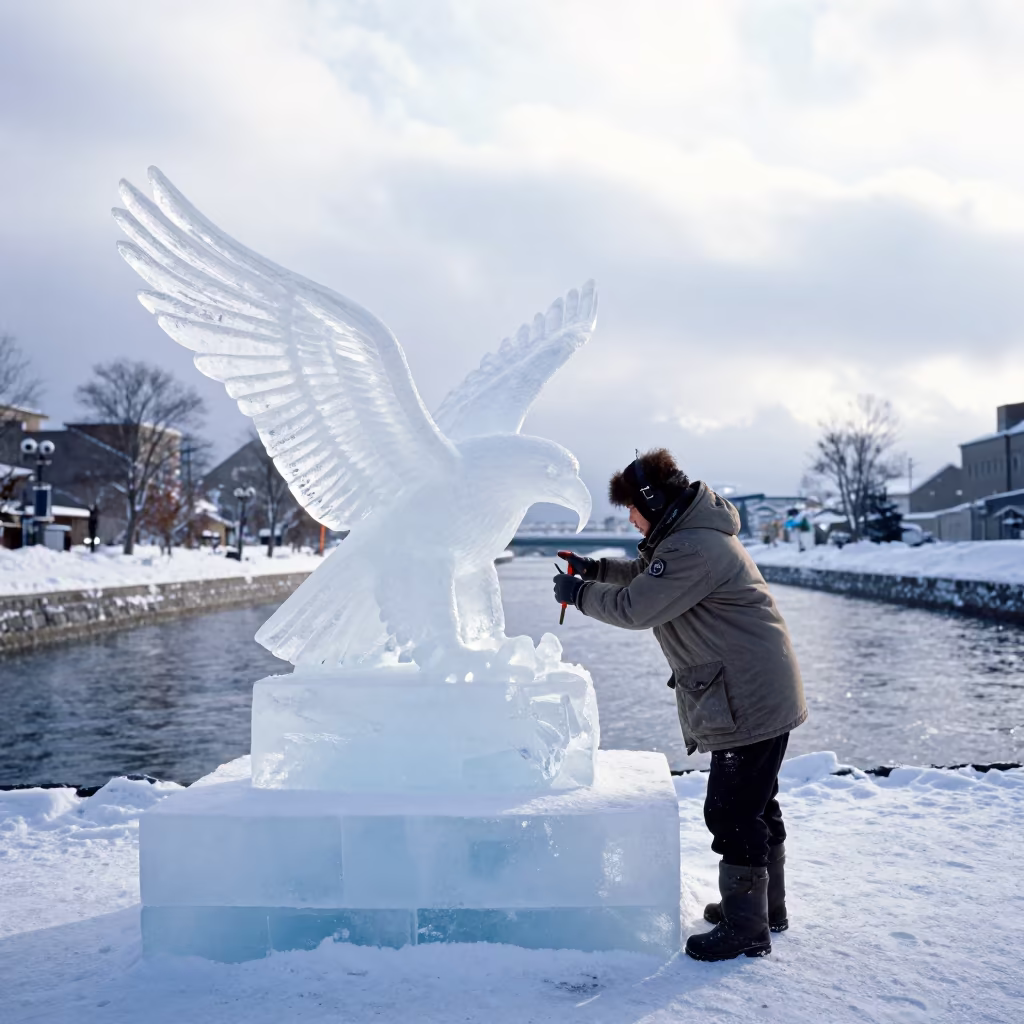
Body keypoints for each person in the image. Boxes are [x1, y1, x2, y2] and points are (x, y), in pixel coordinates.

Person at [553, 449, 807, 962]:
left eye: (631, 507)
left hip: (747, 696)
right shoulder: (690, 537)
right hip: (758, 688)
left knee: (731, 812)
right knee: (756, 805)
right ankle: (762, 909)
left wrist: (580, 594)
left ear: (651, 501)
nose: (628, 517)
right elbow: (647, 575)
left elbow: (637, 606)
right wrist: (595, 568)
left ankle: (747, 929)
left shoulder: (692, 548)